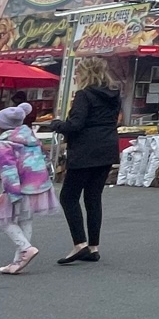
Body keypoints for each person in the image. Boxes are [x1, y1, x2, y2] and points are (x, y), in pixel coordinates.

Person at [54, 57, 121, 265]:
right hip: (107, 148)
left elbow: (76, 125)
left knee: (69, 197)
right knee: (93, 198)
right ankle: (93, 247)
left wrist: (56, 124)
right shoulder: (114, 95)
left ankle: (79, 244)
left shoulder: (84, 95)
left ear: (86, 73)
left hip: (85, 151)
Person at [0, 103, 59, 274]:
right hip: (39, 185)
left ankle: (25, 249)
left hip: (19, 187)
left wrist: (12, 192)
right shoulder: (31, 138)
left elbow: (8, 170)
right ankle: (18, 261)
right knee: (25, 219)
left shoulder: (3, 144)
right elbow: (44, 160)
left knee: (2, 219)